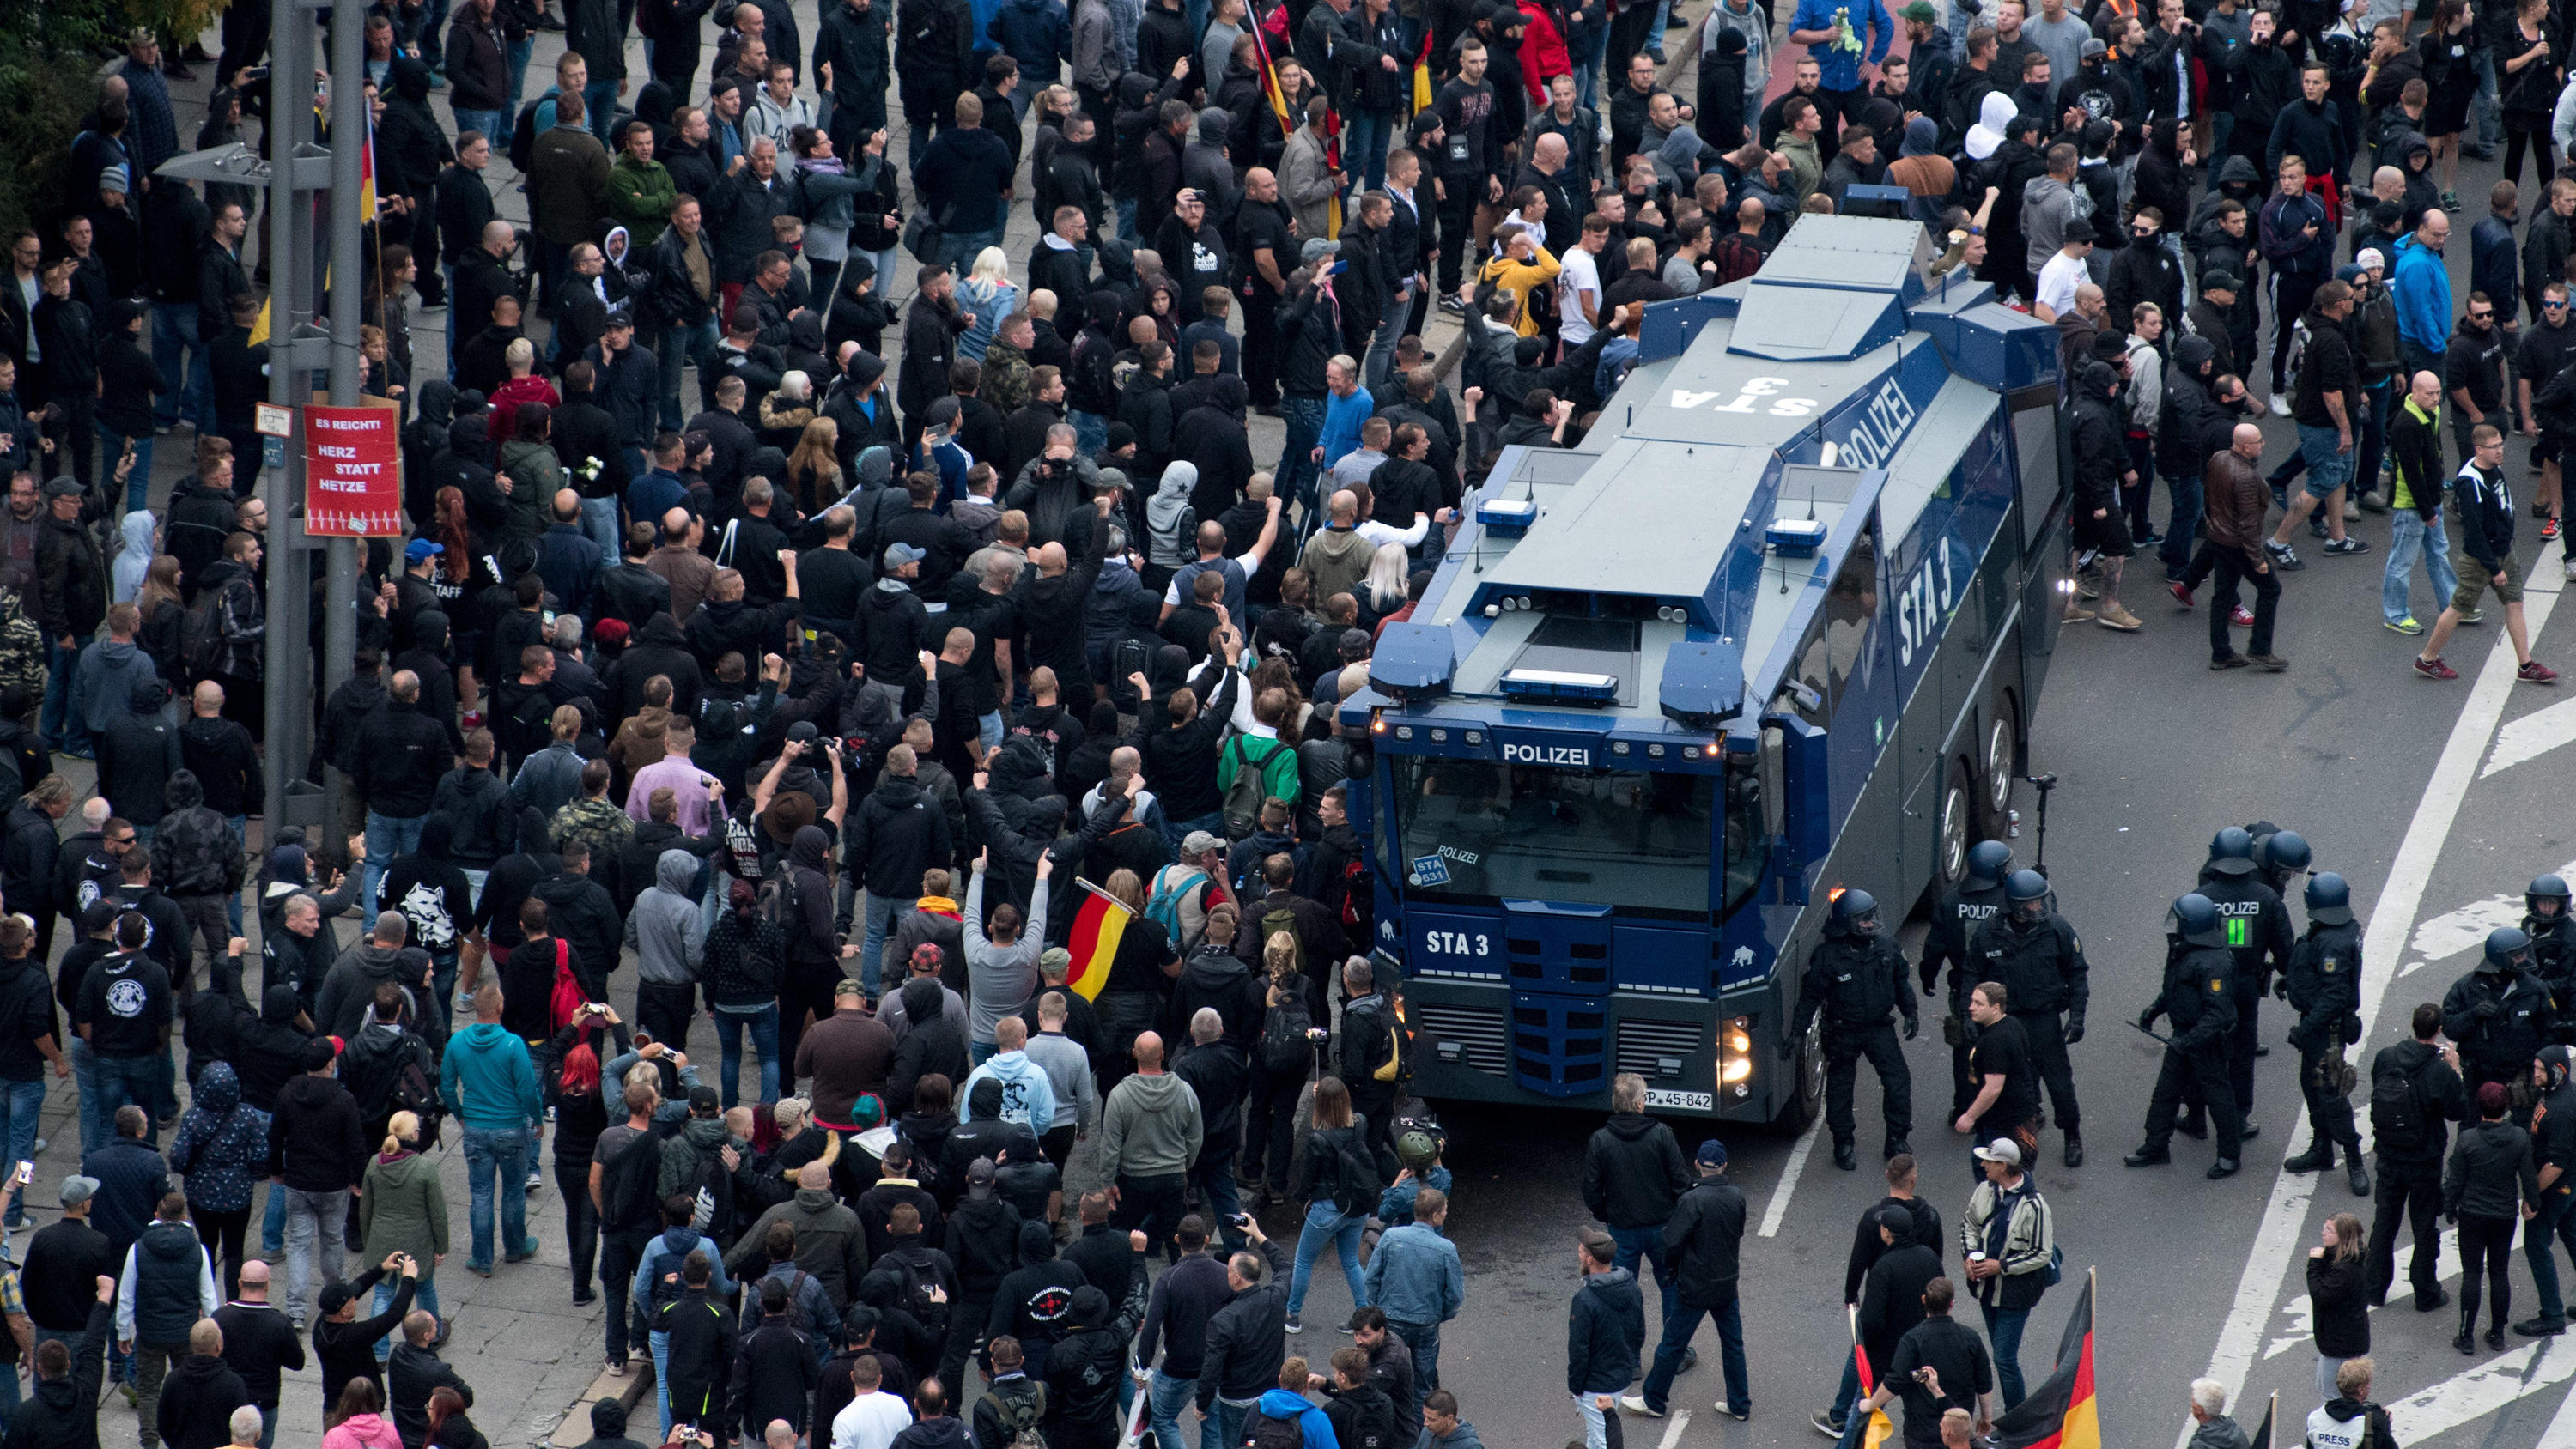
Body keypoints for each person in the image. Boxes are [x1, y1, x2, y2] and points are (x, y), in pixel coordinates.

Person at [1964, 870, 2087, 1166]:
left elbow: (2077, 973)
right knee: (2011, 1082)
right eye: (2030, 904)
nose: (2037, 908)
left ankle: (2071, 1133)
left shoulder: (2057, 929)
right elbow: (1971, 973)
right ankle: (2019, 1130)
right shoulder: (1988, 932)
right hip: (2005, 1022)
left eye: (2039, 901)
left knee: (2058, 1081)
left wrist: (2078, 1015)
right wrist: (1967, 1014)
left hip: (2043, 1018)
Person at [1620, 1139, 1746, 1422]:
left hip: (1695, 1286)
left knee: (1673, 1343)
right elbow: (1737, 1231)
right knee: (1733, 1344)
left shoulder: (1691, 1200)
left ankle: (1654, 1399)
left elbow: (1672, 1243)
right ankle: (1740, 1404)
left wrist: (1674, 1269)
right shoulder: (1736, 1197)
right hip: (1727, 1284)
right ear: (1725, 1165)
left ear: (1698, 1164)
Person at [1795, 889, 1920, 1171]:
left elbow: (1901, 981)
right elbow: (1810, 999)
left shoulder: (1886, 947)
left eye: (1870, 918)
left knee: (1898, 1080)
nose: (1870, 924)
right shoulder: (1827, 957)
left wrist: (1910, 1012)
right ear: (1847, 924)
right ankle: (1843, 1141)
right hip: (1843, 1031)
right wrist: (1797, 1033)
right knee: (1840, 1087)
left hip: (1879, 1028)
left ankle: (1897, 1139)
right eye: (1864, 920)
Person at [2126, 894, 2245, 1176]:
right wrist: (2156, 1009)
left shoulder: (2215, 963)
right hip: (2184, 1034)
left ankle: (2229, 1156)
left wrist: (2188, 1041)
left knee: (2219, 1097)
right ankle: (2156, 1145)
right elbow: (2177, 989)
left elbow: (2217, 1014)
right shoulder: (2185, 949)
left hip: (2206, 1041)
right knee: (2166, 1092)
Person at [436, 985, 544, 1276]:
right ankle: (516, 1246)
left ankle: (482, 1259)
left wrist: (460, 1115)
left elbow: (445, 1086)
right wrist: (537, 1119)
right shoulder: (513, 1044)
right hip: (511, 1128)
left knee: (481, 1194)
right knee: (512, 1191)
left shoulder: (457, 1043)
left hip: (475, 1129)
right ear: (499, 1008)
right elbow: (527, 1089)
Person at [268, 1039, 366, 1326]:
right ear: (330, 1064)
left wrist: (277, 1170)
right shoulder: (344, 1101)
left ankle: (296, 1311)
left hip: (298, 1180)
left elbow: (275, 1137)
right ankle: (335, 1297)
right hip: (334, 1184)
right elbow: (355, 1146)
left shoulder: (287, 1095)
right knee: (333, 1239)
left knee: (298, 1244)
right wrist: (357, 1180)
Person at [119, 1191, 222, 1447]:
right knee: (189, 1386)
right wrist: (214, 1333)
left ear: (157, 1215)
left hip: (151, 1332)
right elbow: (209, 1297)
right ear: (184, 1216)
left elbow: (126, 1295)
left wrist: (124, 1331)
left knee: (149, 1391)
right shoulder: (197, 1250)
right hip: (186, 1334)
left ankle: (150, 1441)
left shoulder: (138, 1249)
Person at [2445, 1078, 2540, 1353]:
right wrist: (2532, 1203)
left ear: (2479, 1106)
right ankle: (2497, 1333)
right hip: (2504, 1214)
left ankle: (2466, 1335)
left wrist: (2450, 1207)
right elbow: (2529, 1177)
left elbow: (2455, 1180)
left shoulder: (2468, 1140)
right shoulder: (2519, 1138)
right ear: (2507, 1105)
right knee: (2499, 1272)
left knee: (2472, 1273)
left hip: (2473, 1214)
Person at [1959, 1137, 2052, 1407]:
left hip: (2014, 1295)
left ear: (2003, 1166)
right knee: (2001, 1356)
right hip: (1986, 1290)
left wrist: (2000, 1267)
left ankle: (2016, 1420)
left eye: (1988, 1161)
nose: (1983, 1164)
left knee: (2004, 1359)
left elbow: (2041, 1253)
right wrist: (1968, 1257)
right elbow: (1969, 1225)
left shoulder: (2035, 1206)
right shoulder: (1984, 1191)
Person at [214, 1260, 305, 1449]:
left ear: (240, 1283)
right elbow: (297, 1362)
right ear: (268, 1285)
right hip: (265, 1401)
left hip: (228, 1400)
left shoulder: (220, 1317)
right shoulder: (279, 1322)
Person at [155, 1318, 251, 1449]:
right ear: (219, 1346)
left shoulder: (173, 1380)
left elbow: (163, 1424)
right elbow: (241, 1428)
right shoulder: (233, 1384)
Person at [386, 1310, 473, 1449]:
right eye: (434, 1325)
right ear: (426, 1336)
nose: (438, 1324)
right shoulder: (437, 1370)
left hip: (403, 1427)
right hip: (426, 1434)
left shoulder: (397, 1353)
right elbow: (467, 1397)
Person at [2306, 1358, 2398, 1449]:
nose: (2370, 1386)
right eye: (2368, 1383)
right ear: (2361, 1389)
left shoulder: (2315, 1418)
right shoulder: (2373, 1423)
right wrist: (2384, 1423)